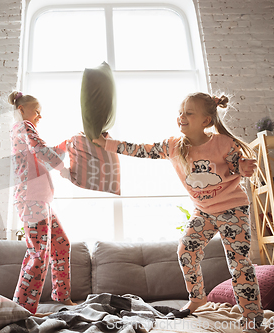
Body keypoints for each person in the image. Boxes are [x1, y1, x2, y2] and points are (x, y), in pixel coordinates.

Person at [93, 92, 264, 332]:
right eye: (181, 112)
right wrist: (107, 143)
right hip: (203, 211)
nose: (182, 117)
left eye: (189, 113)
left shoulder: (223, 143)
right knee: (186, 250)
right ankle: (197, 298)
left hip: (232, 209)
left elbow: (238, 164)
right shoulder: (173, 145)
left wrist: (244, 166)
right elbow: (142, 150)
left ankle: (253, 320)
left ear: (206, 121)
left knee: (239, 265)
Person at [9, 91, 76, 316]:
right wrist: (64, 169)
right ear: (22, 110)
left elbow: (45, 155)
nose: (39, 116)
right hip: (31, 200)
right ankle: (23, 309)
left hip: (41, 201)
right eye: (37, 110)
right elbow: (42, 151)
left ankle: (61, 295)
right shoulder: (23, 127)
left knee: (61, 244)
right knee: (39, 252)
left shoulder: (27, 133)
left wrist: (68, 144)